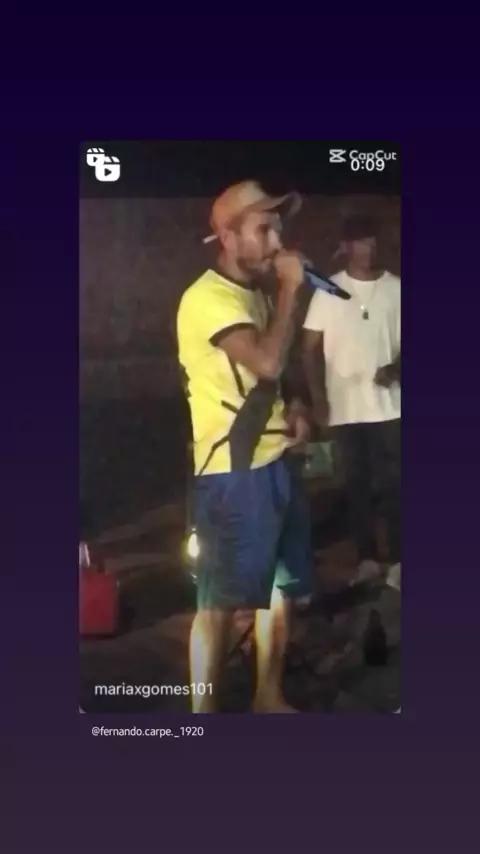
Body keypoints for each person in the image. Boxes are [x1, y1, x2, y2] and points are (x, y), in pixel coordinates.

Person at [177, 180, 313, 712]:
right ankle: (202, 716)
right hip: (233, 475)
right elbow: (267, 361)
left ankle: (268, 696)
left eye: (278, 228)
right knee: (219, 605)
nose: (277, 240)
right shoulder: (206, 299)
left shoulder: (256, 293)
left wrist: (296, 405)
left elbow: (277, 375)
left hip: (275, 461)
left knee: (280, 588)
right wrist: (292, 289)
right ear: (228, 238)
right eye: (264, 229)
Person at [302, 213, 401, 591]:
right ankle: (366, 559)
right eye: (360, 242)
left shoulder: (396, 289)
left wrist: (396, 368)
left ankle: (399, 560)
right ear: (345, 247)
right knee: (356, 488)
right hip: (345, 409)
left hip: (390, 407)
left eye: (372, 241)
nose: (368, 249)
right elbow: (308, 349)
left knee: (395, 486)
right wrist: (318, 399)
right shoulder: (328, 290)